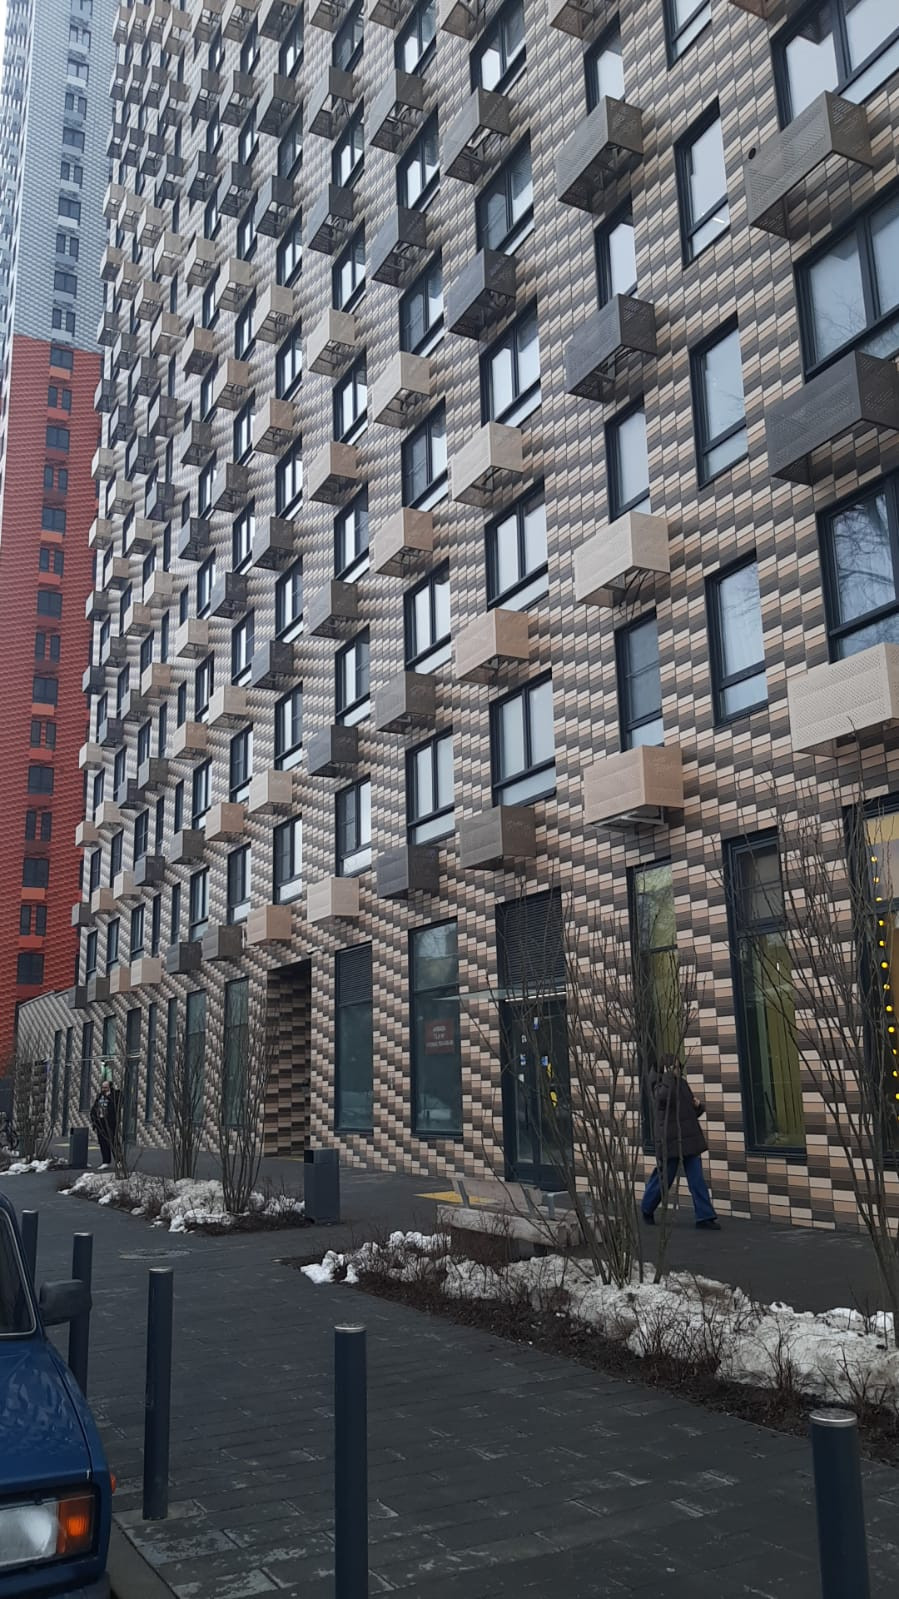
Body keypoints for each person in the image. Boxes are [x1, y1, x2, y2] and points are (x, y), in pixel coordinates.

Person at [641, 1055, 720, 1230]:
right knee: (664, 1179)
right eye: (675, 1068)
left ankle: (705, 1216)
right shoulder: (657, 1084)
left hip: (688, 1138)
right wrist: (669, 1078)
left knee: (697, 1178)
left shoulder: (682, 1083)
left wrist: (698, 1107)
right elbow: (662, 1099)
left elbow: (688, 1112)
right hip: (670, 1139)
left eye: (679, 1067)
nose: (678, 1071)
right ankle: (647, 1207)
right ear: (667, 1069)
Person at [90, 1075, 120, 1171]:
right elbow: (95, 1107)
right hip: (101, 1122)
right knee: (103, 1142)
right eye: (102, 1087)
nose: (103, 1089)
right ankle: (105, 1161)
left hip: (110, 1123)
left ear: (110, 1087)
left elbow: (116, 1106)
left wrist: (108, 1097)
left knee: (113, 1141)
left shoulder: (114, 1096)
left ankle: (119, 1161)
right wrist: (94, 1119)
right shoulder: (100, 1096)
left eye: (105, 1087)